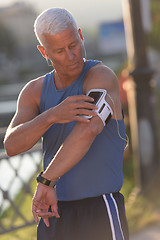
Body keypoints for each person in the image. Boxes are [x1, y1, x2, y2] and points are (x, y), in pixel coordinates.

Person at [4, 8, 129, 240]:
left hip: (99, 208)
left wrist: (46, 181)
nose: (71, 56)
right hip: (54, 212)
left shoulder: (101, 77)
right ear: (44, 52)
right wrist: (50, 115)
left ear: (80, 35)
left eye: (73, 45)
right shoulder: (33, 91)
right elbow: (12, 145)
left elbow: (89, 128)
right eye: (60, 51)